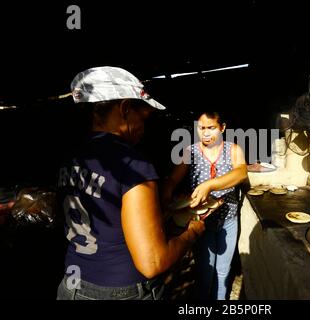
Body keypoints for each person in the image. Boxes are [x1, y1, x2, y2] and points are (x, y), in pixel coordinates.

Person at [56, 66, 205, 300]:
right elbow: (152, 262)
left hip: (71, 285)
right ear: (125, 108)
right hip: (120, 291)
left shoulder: (72, 156)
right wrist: (192, 233)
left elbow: (106, 216)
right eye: (143, 118)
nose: (144, 129)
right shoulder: (133, 163)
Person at [162, 112, 247, 300]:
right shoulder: (190, 151)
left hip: (228, 220)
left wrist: (209, 184)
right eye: (202, 128)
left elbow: (241, 173)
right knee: (205, 271)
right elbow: (173, 179)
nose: (206, 133)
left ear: (222, 128)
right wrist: (167, 195)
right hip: (201, 223)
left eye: (211, 128)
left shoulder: (233, 149)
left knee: (223, 272)